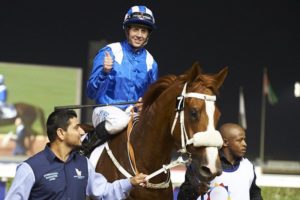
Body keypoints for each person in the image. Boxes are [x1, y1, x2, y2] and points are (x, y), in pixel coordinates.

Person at [5, 109, 147, 200]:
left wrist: (131, 182)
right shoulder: (29, 168)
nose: (81, 132)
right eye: (76, 127)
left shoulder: (84, 163)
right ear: (61, 133)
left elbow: (104, 192)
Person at [86, 5, 158, 139]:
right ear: (127, 30)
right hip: (105, 112)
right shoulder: (110, 51)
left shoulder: (151, 63)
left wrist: (145, 105)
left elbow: (150, 99)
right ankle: (87, 141)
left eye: (144, 31)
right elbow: (91, 92)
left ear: (148, 34)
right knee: (120, 121)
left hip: (133, 115)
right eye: (135, 29)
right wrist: (104, 72)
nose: (139, 35)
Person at [177, 123, 263, 200]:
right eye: (239, 140)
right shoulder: (201, 166)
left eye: (244, 139)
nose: (244, 144)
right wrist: (196, 190)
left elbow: (255, 195)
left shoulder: (248, 167)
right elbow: (182, 197)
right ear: (225, 142)